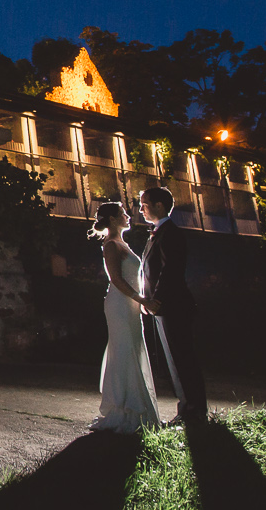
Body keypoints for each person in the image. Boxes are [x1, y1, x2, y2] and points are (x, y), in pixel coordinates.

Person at [137, 185, 208, 426]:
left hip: (173, 307)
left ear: (159, 205)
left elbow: (170, 271)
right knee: (175, 360)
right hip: (164, 307)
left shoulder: (171, 233)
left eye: (144, 204)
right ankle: (188, 409)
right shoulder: (157, 233)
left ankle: (193, 411)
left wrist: (156, 299)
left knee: (182, 359)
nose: (141, 209)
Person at [87, 200, 160, 433]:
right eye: (122, 213)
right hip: (120, 304)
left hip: (130, 304)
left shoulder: (122, 243)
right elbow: (117, 280)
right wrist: (142, 300)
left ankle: (137, 408)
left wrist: (140, 300)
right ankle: (123, 409)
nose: (128, 216)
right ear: (112, 219)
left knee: (134, 348)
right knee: (124, 349)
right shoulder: (110, 245)